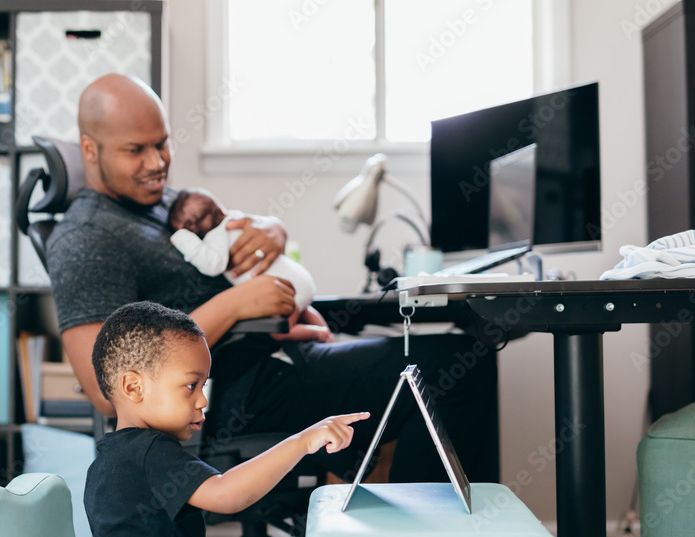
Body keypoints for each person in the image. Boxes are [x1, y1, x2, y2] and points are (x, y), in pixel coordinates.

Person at [47, 73, 497, 484]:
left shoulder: (164, 203)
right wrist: (236, 305)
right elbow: (105, 389)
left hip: (274, 354)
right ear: (90, 149)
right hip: (231, 394)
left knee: (446, 352)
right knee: (454, 366)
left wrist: (271, 230)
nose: (157, 162)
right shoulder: (88, 237)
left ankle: (412, 533)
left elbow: (236, 236)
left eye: (162, 144)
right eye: (135, 150)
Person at [81, 300, 368, 537]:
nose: (203, 400)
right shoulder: (151, 450)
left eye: (204, 385)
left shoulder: (110, 456)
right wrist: (301, 442)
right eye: (190, 386)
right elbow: (227, 494)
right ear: (134, 387)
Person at [168, 186, 329, 342]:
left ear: (193, 229)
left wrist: (183, 239)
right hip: (299, 277)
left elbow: (212, 266)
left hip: (287, 288)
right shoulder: (235, 218)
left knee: (280, 332)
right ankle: (328, 334)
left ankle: (319, 334)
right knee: (304, 309)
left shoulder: (217, 236)